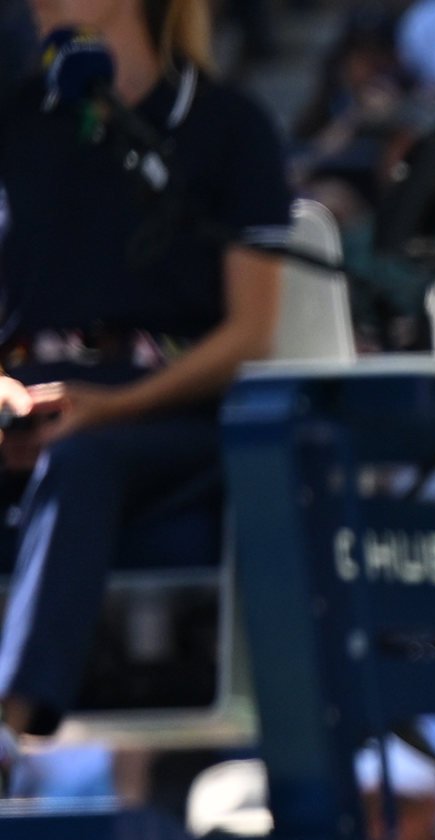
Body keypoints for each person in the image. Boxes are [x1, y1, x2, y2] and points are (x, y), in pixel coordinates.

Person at [0, 0, 289, 738]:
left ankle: (16, 724)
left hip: (173, 412)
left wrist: (111, 406)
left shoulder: (232, 128)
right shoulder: (17, 123)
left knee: (81, 460)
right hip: (34, 395)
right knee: (71, 448)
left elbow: (250, 335)